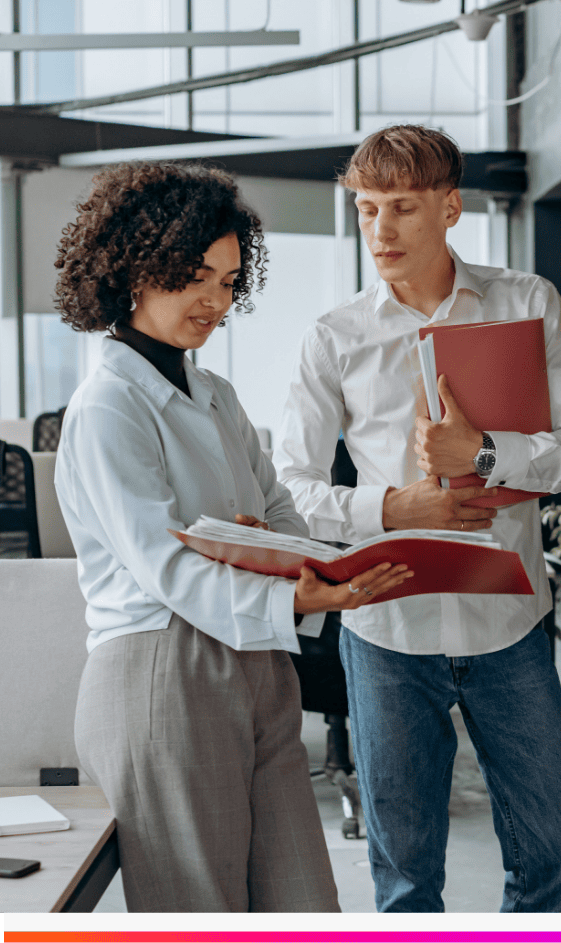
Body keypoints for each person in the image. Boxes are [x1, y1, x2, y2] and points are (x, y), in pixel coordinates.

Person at [274, 124, 561, 913]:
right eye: (366, 210)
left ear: (451, 207)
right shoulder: (333, 338)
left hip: (508, 621)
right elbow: (290, 489)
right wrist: (396, 505)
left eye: (401, 207)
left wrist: (488, 452)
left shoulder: (526, 302)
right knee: (404, 877)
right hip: (386, 631)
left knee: (556, 846)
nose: (380, 230)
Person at [53, 161, 412, 912]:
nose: (214, 301)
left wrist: (314, 570)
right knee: (199, 907)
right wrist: (290, 587)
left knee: (303, 903)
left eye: (227, 280)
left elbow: (280, 511)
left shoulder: (215, 394)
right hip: (161, 669)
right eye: (195, 277)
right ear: (133, 268)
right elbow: (167, 566)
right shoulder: (109, 405)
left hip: (257, 660)